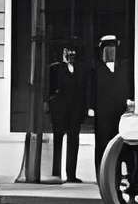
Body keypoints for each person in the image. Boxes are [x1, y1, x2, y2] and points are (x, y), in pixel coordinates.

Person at [46, 41, 88, 181]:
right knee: (58, 142)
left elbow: (83, 91)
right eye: (67, 51)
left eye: (73, 51)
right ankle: (56, 173)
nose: (71, 54)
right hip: (59, 112)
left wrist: (83, 110)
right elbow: (49, 90)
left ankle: (71, 175)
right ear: (63, 53)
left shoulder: (80, 69)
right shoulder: (55, 68)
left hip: (75, 112)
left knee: (73, 143)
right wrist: (51, 106)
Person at [93, 33, 128, 165]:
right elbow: (92, 89)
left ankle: (116, 172)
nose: (110, 52)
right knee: (102, 143)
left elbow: (126, 88)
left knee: (117, 143)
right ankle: (100, 171)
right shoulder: (97, 69)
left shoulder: (122, 69)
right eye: (107, 49)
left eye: (113, 49)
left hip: (118, 112)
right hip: (102, 113)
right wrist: (91, 107)